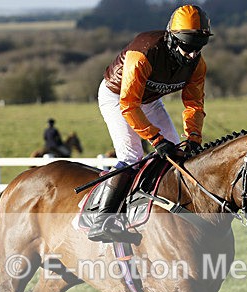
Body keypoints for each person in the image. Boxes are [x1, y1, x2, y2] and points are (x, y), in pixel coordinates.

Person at [88, 4, 212, 244]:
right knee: (133, 155)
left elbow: (194, 105)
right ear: (171, 37)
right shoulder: (144, 53)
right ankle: (101, 220)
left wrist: (194, 138)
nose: (192, 54)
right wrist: (156, 140)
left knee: (178, 156)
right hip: (118, 97)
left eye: (198, 47)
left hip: (149, 101)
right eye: (186, 46)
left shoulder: (198, 64)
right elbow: (129, 104)